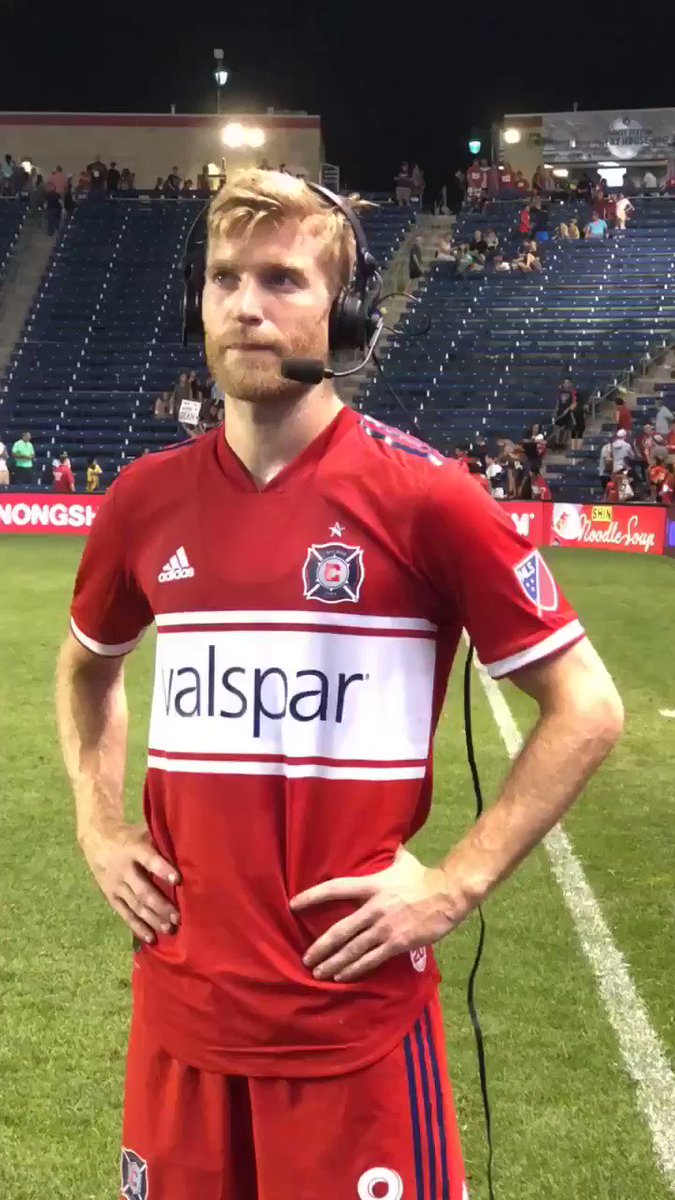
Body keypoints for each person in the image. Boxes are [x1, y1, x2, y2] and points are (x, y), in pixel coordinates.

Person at [55, 168, 624, 1200]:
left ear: (346, 312)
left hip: (348, 1026)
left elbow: (588, 705)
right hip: (179, 1018)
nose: (245, 304)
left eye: (282, 278)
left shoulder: (426, 499)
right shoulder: (142, 501)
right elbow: (87, 669)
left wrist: (455, 884)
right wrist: (99, 825)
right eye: (225, 277)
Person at [554, 380, 576, 448]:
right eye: (565, 383)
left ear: (570, 384)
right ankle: (557, 442)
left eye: (568, 383)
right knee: (557, 426)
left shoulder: (572, 393)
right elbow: (557, 402)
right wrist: (555, 410)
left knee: (568, 428)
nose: (566, 384)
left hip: (568, 413)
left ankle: (564, 443)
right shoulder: (560, 392)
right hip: (560, 412)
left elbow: (573, 403)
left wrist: (568, 409)